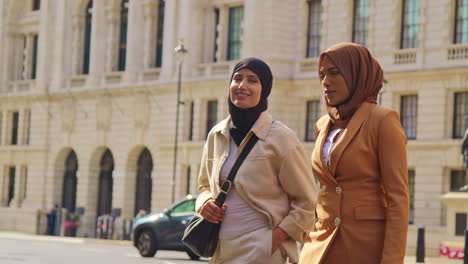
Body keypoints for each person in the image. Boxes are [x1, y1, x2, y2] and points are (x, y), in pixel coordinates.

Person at [196, 57, 318, 264]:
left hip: (261, 252)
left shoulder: (281, 137)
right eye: (237, 79)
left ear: (265, 89)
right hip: (220, 251)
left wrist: (273, 240)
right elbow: (204, 185)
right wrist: (204, 203)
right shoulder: (216, 134)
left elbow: (307, 201)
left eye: (252, 80)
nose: (242, 86)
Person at [299, 43, 409, 264]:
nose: (325, 81)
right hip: (317, 248)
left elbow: (398, 199)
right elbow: (325, 189)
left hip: (364, 249)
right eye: (321, 75)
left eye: (334, 72)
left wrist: (391, 261)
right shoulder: (322, 124)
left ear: (356, 74)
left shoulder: (383, 120)